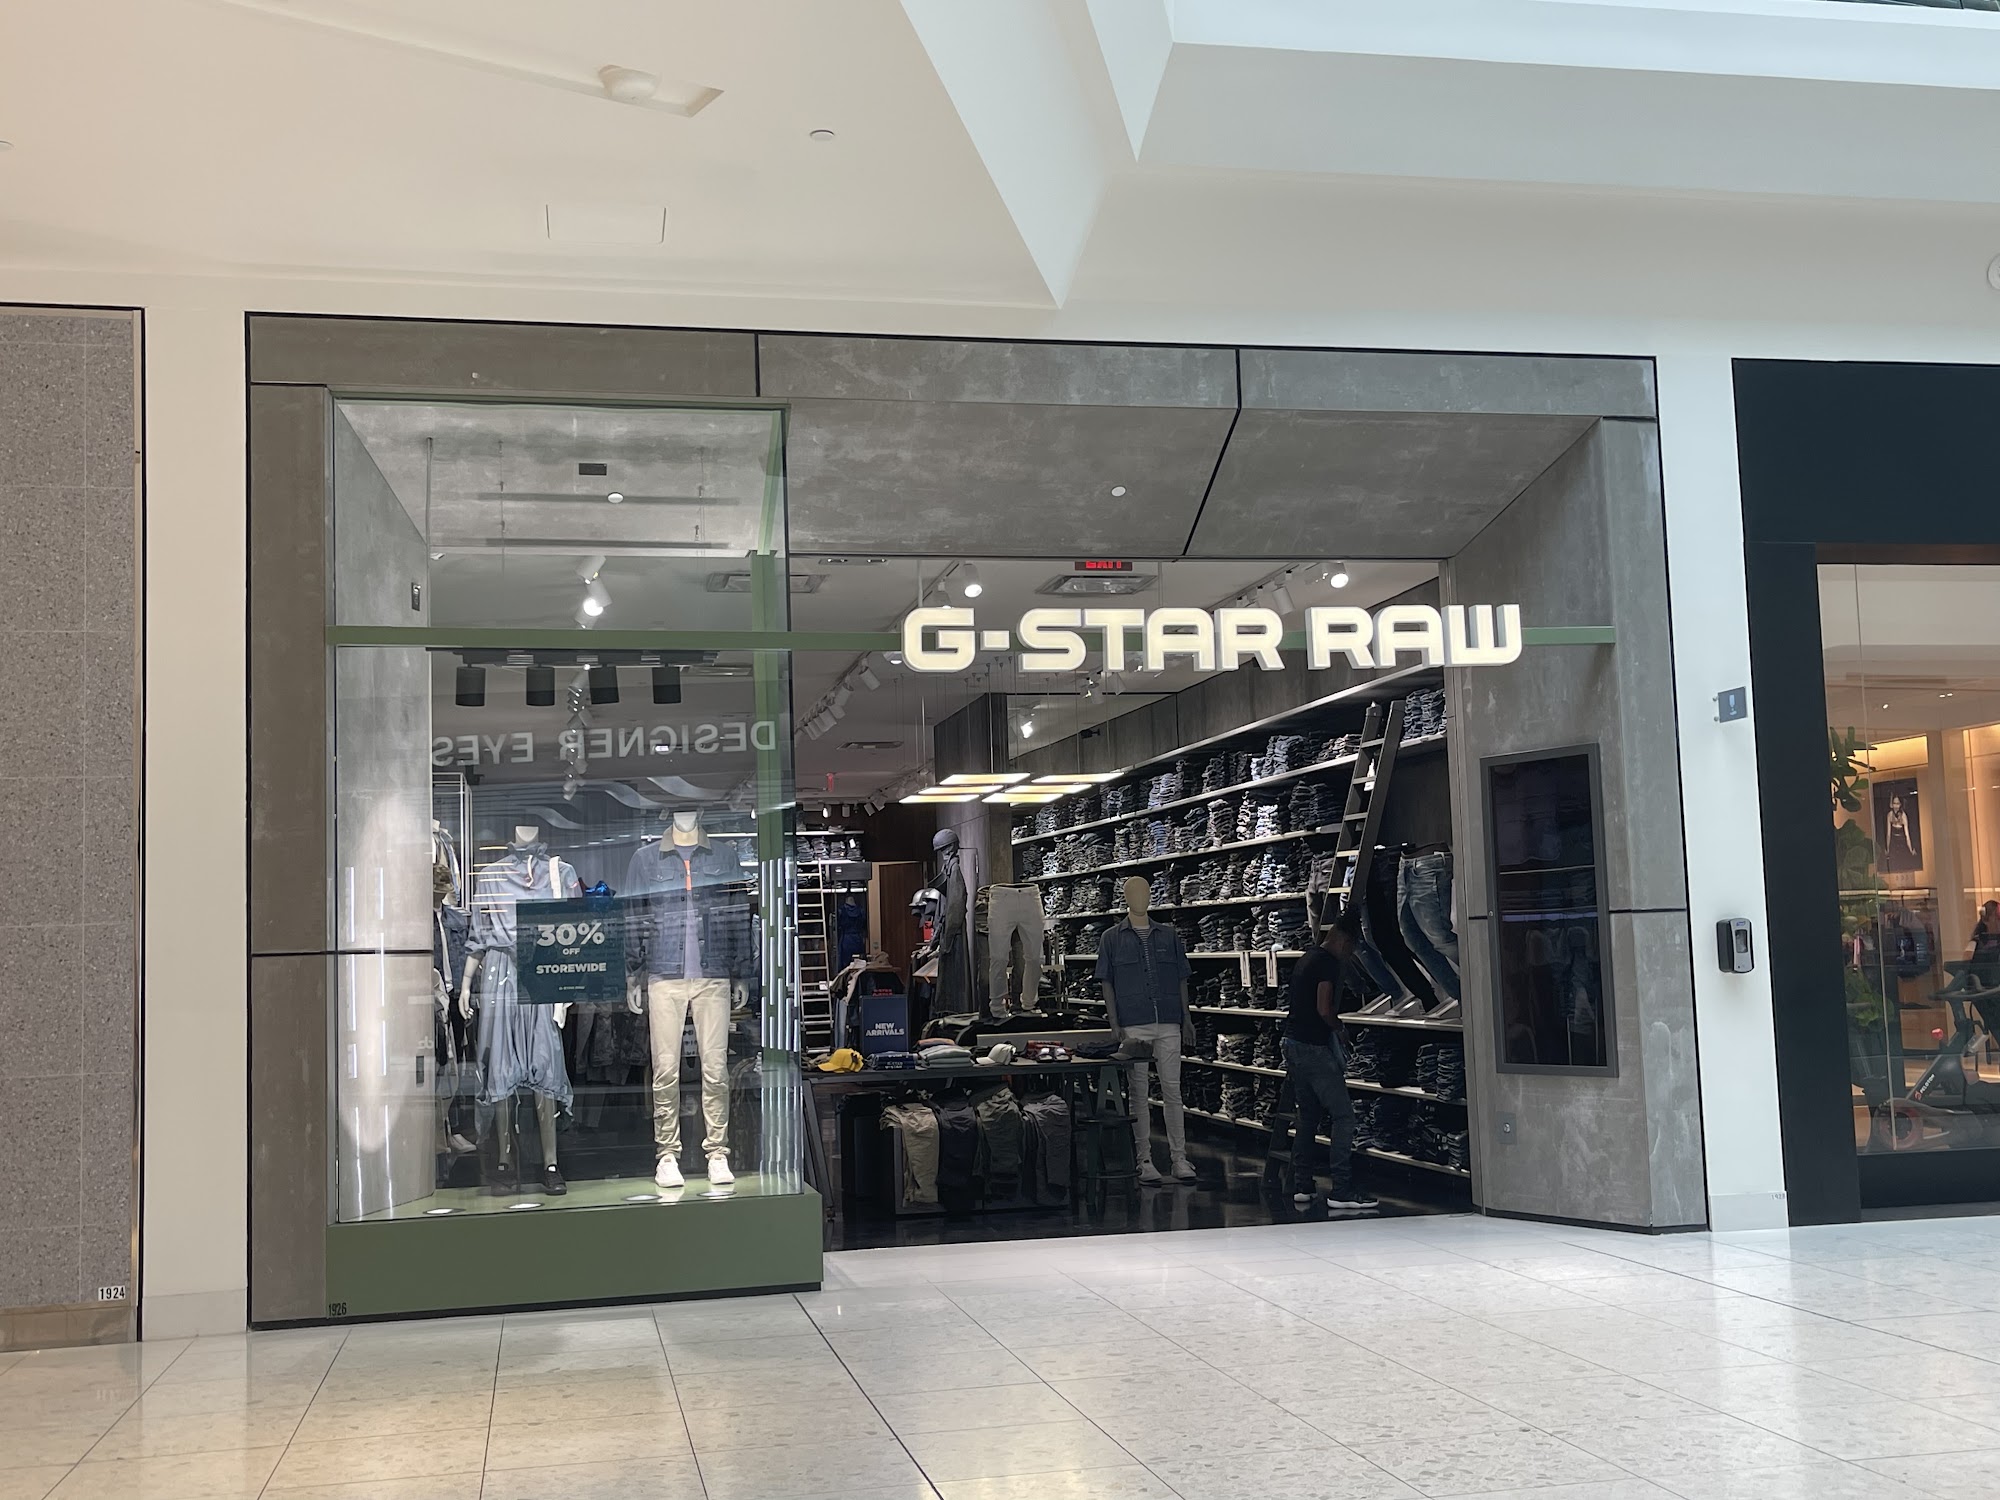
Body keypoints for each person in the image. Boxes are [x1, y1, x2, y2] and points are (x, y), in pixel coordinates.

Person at [1284, 911, 1378, 1212]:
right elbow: (1324, 1007)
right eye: (1351, 949)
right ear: (1346, 941)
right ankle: (1341, 1189)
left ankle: (1303, 1185)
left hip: (1293, 1043)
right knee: (1344, 1116)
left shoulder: (1308, 957)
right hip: (1314, 1047)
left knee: (1308, 1116)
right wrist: (1340, 1029)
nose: (1349, 955)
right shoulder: (1327, 963)